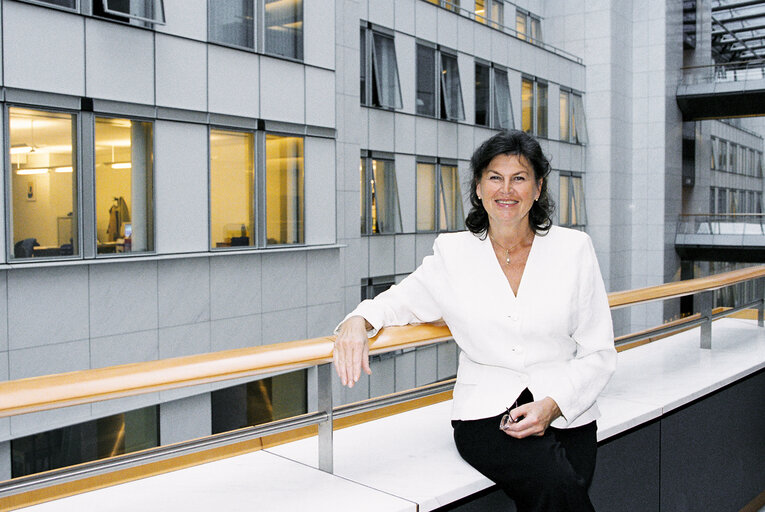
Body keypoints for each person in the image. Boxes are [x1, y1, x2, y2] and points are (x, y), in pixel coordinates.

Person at [334, 130, 617, 512]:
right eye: (495, 177)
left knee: (564, 488)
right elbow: (401, 300)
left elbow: (598, 351)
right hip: (486, 413)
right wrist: (358, 320)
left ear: (538, 189)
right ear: (479, 188)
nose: (507, 189)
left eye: (519, 178)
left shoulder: (574, 249)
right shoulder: (453, 253)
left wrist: (552, 405)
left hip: (568, 410)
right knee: (558, 484)